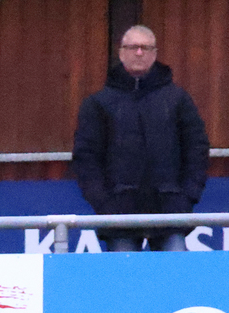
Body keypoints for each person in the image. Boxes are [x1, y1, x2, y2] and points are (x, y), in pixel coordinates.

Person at [72, 25, 209, 252]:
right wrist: (103, 203)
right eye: (133, 47)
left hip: (170, 212)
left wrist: (186, 197)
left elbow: (197, 149)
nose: (139, 53)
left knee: (175, 273)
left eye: (145, 48)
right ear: (121, 53)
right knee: (124, 275)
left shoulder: (178, 100)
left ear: (154, 54)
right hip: (118, 215)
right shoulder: (98, 103)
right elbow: (86, 157)